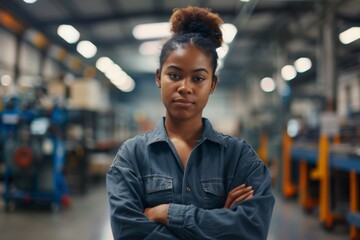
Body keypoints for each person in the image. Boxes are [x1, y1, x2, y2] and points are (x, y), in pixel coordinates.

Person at [106, 6, 274, 240]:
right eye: (174, 75)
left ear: (212, 84)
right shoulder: (132, 157)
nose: (185, 87)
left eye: (198, 78)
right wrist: (220, 221)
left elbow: (252, 230)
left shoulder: (239, 159)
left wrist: (168, 214)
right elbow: (129, 233)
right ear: (158, 77)